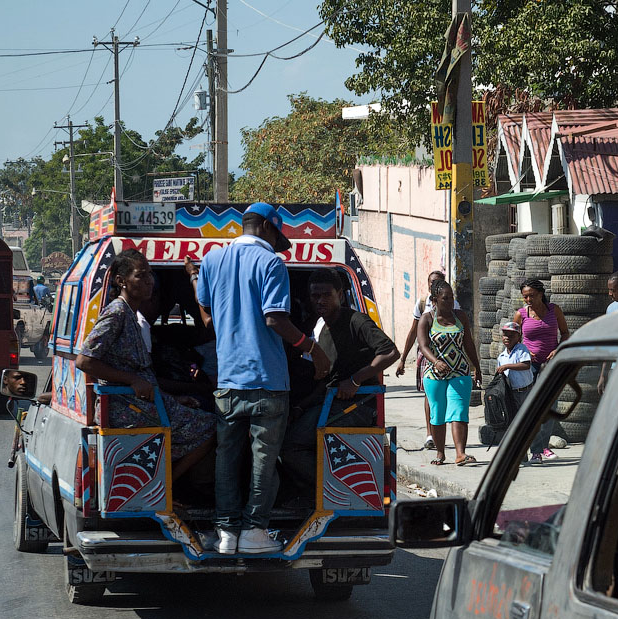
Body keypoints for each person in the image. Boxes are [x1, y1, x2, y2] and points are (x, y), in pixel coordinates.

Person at [185, 202, 332, 555]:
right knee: (264, 458)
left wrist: (193, 277)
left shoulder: (213, 261)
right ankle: (253, 531)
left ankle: (225, 534)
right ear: (267, 227)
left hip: (228, 381)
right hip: (267, 381)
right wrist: (312, 348)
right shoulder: (271, 264)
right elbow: (275, 319)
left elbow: (207, 317)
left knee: (227, 457)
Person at [76, 249, 215, 481]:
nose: (150, 281)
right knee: (212, 426)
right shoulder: (117, 313)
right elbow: (85, 360)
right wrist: (131, 380)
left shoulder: (132, 314)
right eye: (141, 276)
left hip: (144, 403)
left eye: (150, 275)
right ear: (121, 281)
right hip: (127, 409)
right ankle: (169, 482)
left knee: (200, 411)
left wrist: (172, 399)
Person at [280, 268, 399, 503]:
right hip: (331, 403)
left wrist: (356, 380)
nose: (320, 300)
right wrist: (300, 407)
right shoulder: (320, 327)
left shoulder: (357, 320)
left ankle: (329, 491)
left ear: (340, 295)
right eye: (315, 296)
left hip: (357, 407)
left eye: (326, 295)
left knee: (291, 447)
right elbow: (327, 380)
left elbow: (390, 352)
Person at [395, 269, 462, 450]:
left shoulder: (453, 305)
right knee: (430, 394)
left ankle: (450, 439)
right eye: (432, 282)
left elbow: (464, 335)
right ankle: (430, 433)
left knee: (451, 400)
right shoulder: (423, 304)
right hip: (428, 355)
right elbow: (413, 332)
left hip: (452, 359)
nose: (435, 285)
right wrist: (402, 358)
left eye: (439, 282)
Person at [418, 279, 480, 465]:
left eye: (452, 297)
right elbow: (423, 345)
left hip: (460, 372)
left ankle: (460, 454)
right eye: (445, 298)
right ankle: (440, 453)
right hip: (434, 375)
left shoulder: (460, 316)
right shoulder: (427, 319)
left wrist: (476, 366)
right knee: (437, 413)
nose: (450, 301)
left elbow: (468, 343)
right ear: (435, 300)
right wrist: (436, 361)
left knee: (459, 411)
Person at [514, 278, 570, 462]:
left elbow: (565, 333)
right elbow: (512, 339)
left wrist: (558, 349)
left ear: (541, 294)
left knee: (550, 406)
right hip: (529, 367)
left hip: (550, 365)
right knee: (531, 407)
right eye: (525, 297)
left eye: (532, 296)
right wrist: (524, 351)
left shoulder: (554, 310)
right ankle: (533, 450)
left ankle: (543, 447)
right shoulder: (521, 314)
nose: (528, 300)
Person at [495, 321, 534, 405]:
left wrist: (507, 366)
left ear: (518, 337)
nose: (507, 338)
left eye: (511, 336)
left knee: (527, 415)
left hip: (525, 391)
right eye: (505, 335)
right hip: (511, 393)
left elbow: (526, 365)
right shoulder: (502, 357)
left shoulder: (521, 349)